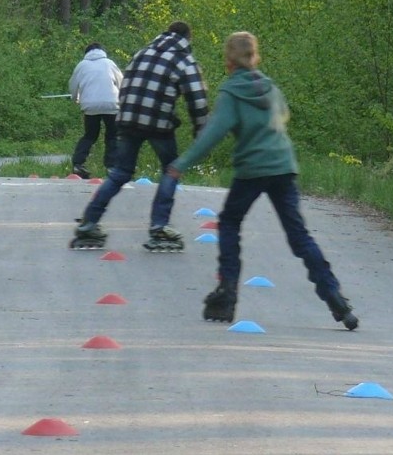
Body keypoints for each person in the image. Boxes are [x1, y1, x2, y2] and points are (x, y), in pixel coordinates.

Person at [168, 31, 359, 330]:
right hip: (283, 166)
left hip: (253, 170)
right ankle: (334, 296)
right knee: (299, 235)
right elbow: (284, 116)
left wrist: (181, 163)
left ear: (228, 60)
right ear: (255, 57)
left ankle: (228, 290)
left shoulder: (231, 92)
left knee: (230, 222)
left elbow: (213, 133)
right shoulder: (270, 87)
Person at [70, 21, 209, 251]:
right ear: (188, 37)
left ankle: (89, 222)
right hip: (158, 121)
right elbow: (198, 98)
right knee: (170, 170)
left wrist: (125, 114)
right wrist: (201, 132)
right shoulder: (184, 60)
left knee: (120, 173)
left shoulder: (143, 53)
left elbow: (124, 85)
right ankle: (159, 227)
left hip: (128, 118)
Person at [68, 43, 123, 179]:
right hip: (111, 103)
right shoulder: (109, 63)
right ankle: (111, 166)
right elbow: (121, 81)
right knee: (112, 135)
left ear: (87, 53)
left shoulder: (82, 65)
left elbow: (73, 85)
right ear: (102, 51)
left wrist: (75, 98)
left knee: (90, 135)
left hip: (90, 105)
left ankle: (78, 164)